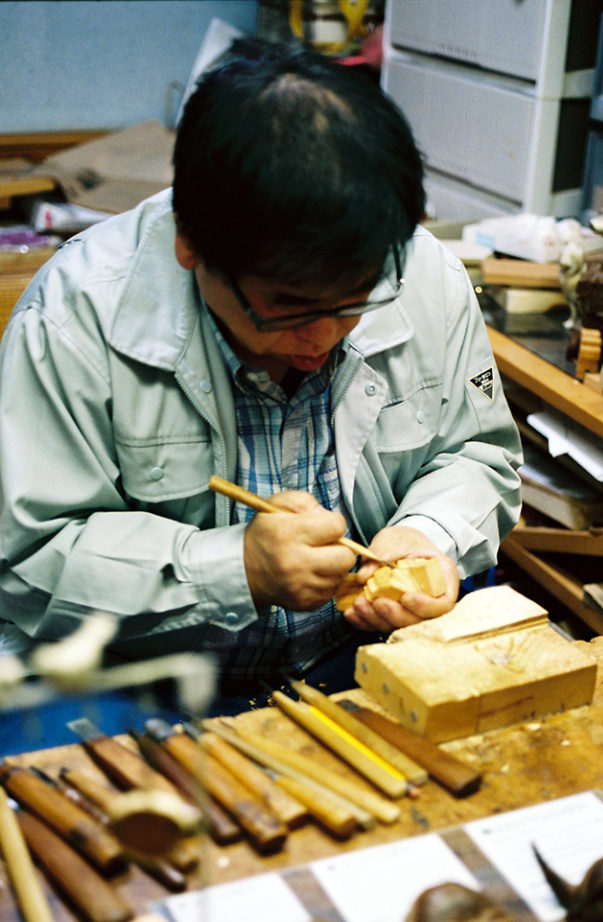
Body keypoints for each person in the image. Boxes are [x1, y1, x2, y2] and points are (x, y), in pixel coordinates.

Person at [0, 40, 522, 702]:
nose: (324, 336)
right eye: (286, 306)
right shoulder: (75, 317)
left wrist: (428, 536)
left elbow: (476, 453)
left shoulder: (421, 273)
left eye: (354, 300)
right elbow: (26, 561)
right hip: (154, 687)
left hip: (363, 663)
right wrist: (233, 568)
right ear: (190, 241)